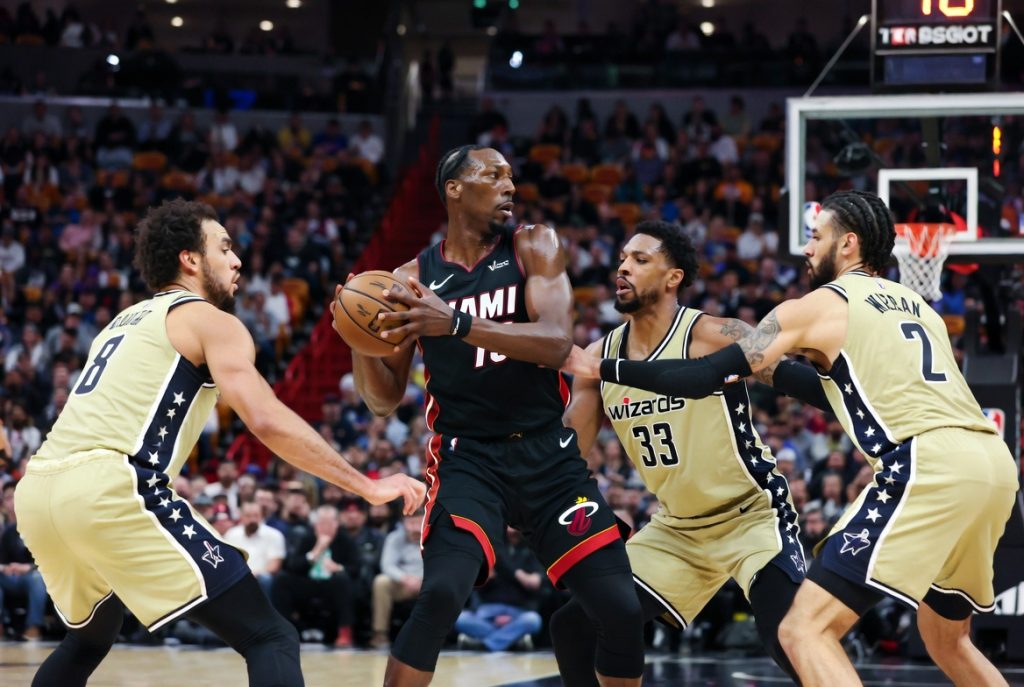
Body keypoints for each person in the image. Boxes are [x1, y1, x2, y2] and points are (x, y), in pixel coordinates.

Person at [564, 190, 1018, 687]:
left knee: (803, 631)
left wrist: (605, 368)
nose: (805, 248)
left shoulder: (812, 306)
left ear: (847, 244)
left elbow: (705, 377)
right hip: (991, 463)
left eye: (815, 237)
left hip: (903, 471)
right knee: (949, 641)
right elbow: (840, 391)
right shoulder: (919, 307)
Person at [15, 198, 425, 687]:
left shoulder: (121, 322)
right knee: (271, 637)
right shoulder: (211, 320)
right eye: (224, 248)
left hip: (37, 491)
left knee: (87, 640)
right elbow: (265, 419)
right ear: (190, 259)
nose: (237, 261)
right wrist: (368, 486)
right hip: (108, 485)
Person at [342, 145, 644, 686]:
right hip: (468, 459)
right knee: (440, 593)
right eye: (494, 175)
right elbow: (383, 399)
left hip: (547, 454)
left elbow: (557, 343)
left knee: (621, 608)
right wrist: (359, 340)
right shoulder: (412, 278)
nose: (510, 186)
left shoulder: (534, 245)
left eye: (511, 176)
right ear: (455, 189)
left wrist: (455, 323)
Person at [555, 220, 807, 685]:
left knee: (790, 638)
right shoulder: (596, 356)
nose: (623, 267)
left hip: (751, 514)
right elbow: (571, 448)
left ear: (674, 278)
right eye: (622, 259)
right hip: (678, 528)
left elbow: (793, 376)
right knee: (574, 625)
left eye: (640, 259)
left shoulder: (715, 333)